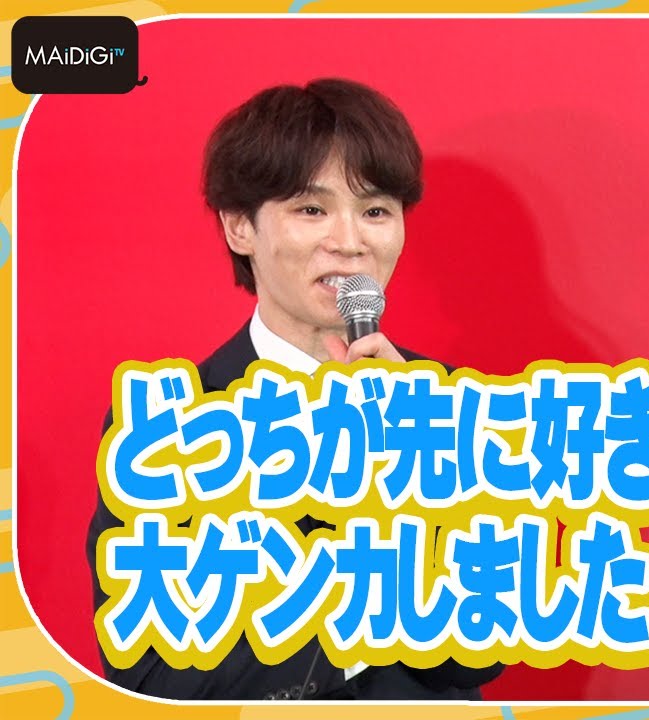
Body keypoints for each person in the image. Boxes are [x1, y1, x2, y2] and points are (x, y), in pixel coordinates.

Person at [85, 78, 502, 700]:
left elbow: (481, 652)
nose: (351, 242)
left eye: (376, 211)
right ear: (239, 227)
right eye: (312, 210)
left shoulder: (447, 403)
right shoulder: (170, 421)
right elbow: (148, 674)